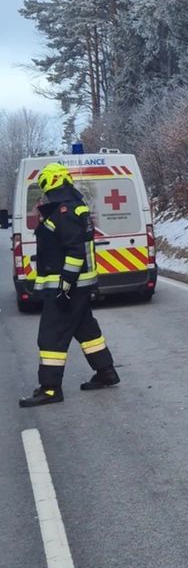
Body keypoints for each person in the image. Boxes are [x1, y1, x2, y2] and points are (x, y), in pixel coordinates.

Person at [19, 163, 120, 407]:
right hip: (76, 286)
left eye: (43, 185)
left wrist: (64, 286)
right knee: (86, 331)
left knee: (51, 336)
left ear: (50, 182)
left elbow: (75, 252)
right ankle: (106, 372)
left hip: (67, 287)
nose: (42, 191)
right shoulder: (70, 206)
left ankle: (50, 389)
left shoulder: (64, 210)